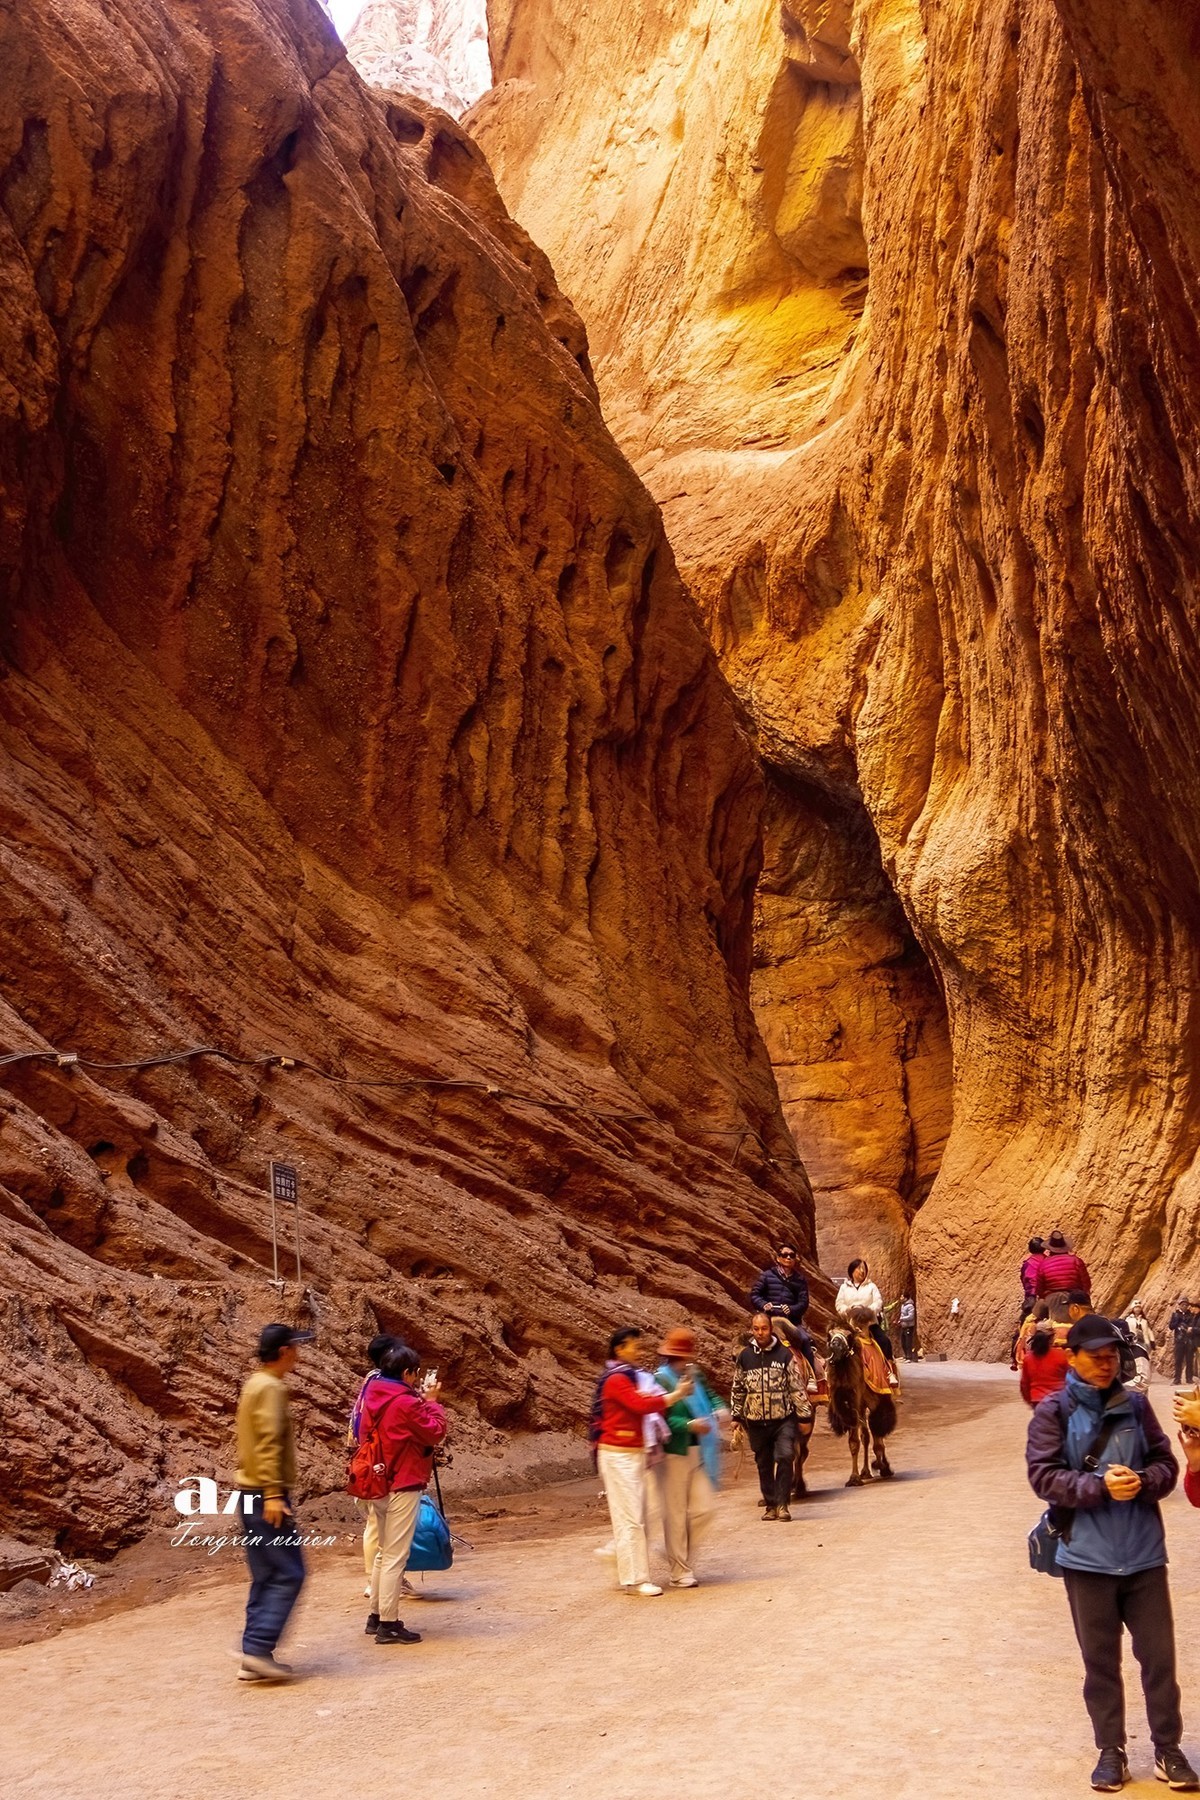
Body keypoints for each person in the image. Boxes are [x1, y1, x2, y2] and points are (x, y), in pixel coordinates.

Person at [1026, 1314, 1197, 1792]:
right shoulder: (1053, 1412)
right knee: (1100, 1663)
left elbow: (1165, 1464)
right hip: (1087, 1559)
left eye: (1113, 1356)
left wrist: (1143, 1482)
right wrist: (1099, 1486)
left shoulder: (1138, 1407)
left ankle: (1168, 1748)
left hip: (1144, 1556)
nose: (1107, 1364)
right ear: (1072, 1358)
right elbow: (1043, 1477)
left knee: (1159, 1659)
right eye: (1097, 1356)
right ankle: (1111, 1751)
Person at [233, 1321, 315, 1683]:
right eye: (296, 1347)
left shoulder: (255, 1383)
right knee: (288, 1573)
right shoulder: (271, 1388)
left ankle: (254, 1652)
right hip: (266, 1494)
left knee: (266, 1575)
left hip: (249, 1492)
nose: (299, 1353)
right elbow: (268, 1442)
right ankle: (258, 1649)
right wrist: (272, 1494)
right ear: (284, 1352)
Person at [359, 1342, 447, 1645]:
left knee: (384, 1551)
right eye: (415, 1373)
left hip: (377, 1478)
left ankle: (375, 1615)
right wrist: (432, 1402)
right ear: (407, 1372)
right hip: (402, 1481)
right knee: (397, 1554)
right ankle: (389, 1623)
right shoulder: (406, 1402)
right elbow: (434, 1431)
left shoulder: (373, 1392)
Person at [593, 1326, 687, 1596]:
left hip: (630, 1453)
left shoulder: (630, 1377)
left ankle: (633, 1576)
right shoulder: (617, 1380)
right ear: (619, 1349)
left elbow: (644, 1402)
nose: (640, 1351)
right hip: (618, 1454)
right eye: (635, 1346)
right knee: (631, 1518)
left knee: (634, 1517)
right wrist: (677, 1395)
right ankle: (635, 1580)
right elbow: (641, 1405)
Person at [653, 1327, 722, 1588]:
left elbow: (711, 1395)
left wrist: (719, 1409)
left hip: (697, 1451)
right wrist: (689, 1424)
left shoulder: (692, 1373)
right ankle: (679, 1569)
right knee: (675, 1512)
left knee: (704, 1509)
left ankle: (676, 1554)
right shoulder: (660, 1380)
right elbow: (660, 1416)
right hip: (674, 1452)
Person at [729, 1313, 811, 1520]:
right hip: (755, 1421)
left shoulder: (784, 1355)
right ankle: (771, 1505)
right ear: (752, 1330)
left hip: (783, 1419)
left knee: (784, 1457)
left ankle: (783, 1505)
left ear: (770, 1329)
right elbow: (738, 1388)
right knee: (763, 1463)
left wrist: (803, 1417)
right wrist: (736, 1416)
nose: (760, 1333)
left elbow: (795, 1387)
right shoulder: (745, 1357)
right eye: (756, 1329)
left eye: (764, 1328)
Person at [750, 1242, 821, 1380]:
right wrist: (764, 1304)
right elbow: (754, 1295)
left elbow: (803, 1303)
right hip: (768, 1319)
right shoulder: (766, 1276)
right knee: (746, 1342)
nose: (788, 1258)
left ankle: (812, 1377)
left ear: (795, 1259)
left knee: (805, 1340)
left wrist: (791, 1309)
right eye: (784, 1255)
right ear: (778, 1258)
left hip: (791, 1322)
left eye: (791, 1255)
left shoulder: (800, 1280)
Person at [836, 1259, 898, 1384]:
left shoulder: (871, 1286)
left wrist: (867, 1312)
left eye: (864, 1268)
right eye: (859, 1268)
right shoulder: (844, 1287)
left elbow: (878, 1302)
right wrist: (848, 1310)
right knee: (836, 1341)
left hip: (869, 1323)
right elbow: (839, 1304)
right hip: (850, 1324)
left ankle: (889, 1371)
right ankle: (835, 1373)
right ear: (852, 1271)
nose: (862, 1271)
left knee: (884, 1341)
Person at [1019, 1321, 1070, 1405]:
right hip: (1059, 1398)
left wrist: (1029, 1399)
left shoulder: (1028, 1358)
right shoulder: (1061, 1355)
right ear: (1050, 1338)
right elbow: (1070, 1377)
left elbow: (1024, 1382)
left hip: (1037, 1399)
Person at [1035, 1229, 1092, 1301]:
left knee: (1038, 1309)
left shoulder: (1043, 1265)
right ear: (1066, 1247)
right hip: (1074, 1297)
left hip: (1052, 1299)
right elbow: (1086, 1284)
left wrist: (1044, 1295)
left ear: (1050, 1249)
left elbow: (1040, 1289)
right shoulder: (1076, 1261)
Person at [1170, 1297, 1196, 1386]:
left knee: (1189, 1360)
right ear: (1179, 1305)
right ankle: (1177, 1379)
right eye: (1182, 1304)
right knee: (1178, 1360)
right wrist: (1177, 1321)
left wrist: (1190, 1328)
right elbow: (1171, 1327)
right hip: (1179, 1340)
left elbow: (1193, 1325)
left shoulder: (1191, 1315)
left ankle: (1189, 1378)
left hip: (1189, 1340)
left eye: (1186, 1304)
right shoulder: (1175, 1315)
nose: (1184, 1306)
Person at [899, 1295, 917, 1362]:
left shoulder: (910, 1306)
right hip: (903, 1326)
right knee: (903, 1342)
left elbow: (911, 1316)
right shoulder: (903, 1305)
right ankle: (906, 1356)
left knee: (908, 1342)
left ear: (906, 1298)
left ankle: (909, 1357)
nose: (900, 1298)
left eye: (902, 1297)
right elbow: (902, 1314)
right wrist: (899, 1320)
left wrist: (902, 1319)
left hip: (909, 1326)